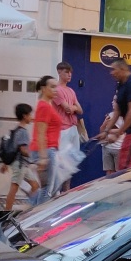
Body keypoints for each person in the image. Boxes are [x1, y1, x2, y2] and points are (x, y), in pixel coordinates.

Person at [1, 103, 41, 211]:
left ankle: (29, 206)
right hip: (20, 164)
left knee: (35, 185)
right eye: (30, 114)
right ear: (24, 116)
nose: (31, 117)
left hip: (22, 165)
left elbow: (12, 148)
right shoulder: (23, 132)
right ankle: (6, 213)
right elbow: (23, 150)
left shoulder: (16, 130)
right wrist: (35, 158)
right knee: (14, 189)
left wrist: (5, 164)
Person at [53, 62, 85, 193]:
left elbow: (80, 110)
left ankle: (66, 191)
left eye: (70, 72)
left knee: (71, 164)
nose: (69, 75)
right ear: (59, 72)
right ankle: (56, 192)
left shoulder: (71, 90)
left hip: (73, 128)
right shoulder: (56, 90)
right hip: (62, 129)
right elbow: (67, 108)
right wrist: (73, 108)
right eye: (66, 72)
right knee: (61, 163)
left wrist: (73, 108)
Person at [29, 75, 61, 206]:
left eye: (56, 87)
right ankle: (37, 220)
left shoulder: (47, 105)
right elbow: (41, 133)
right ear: (43, 88)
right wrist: (43, 157)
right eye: (52, 87)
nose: (55, 90)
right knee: (47, 190)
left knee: (52, 187)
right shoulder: (44, 106)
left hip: (47, 149)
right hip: (45, 150)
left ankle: (32, 214)